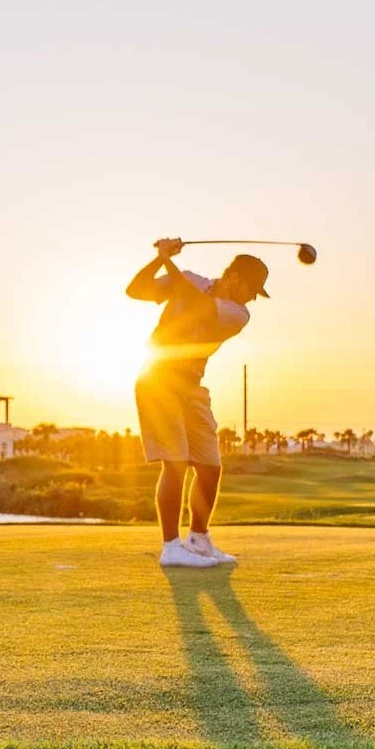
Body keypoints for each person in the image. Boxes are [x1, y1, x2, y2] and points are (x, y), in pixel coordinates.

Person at [126, 238, 269, 568]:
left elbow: (198, 309)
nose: (252, 297)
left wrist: (168, 260)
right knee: (174, 463)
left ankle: (199, 539)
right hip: (157, 379)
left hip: (191, 387)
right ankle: (171, 546)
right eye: (252, 288)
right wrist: (158, 259)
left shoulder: (238, 313)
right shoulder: (189, 278)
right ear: (233, 276)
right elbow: (136, 290)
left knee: (210, 467)